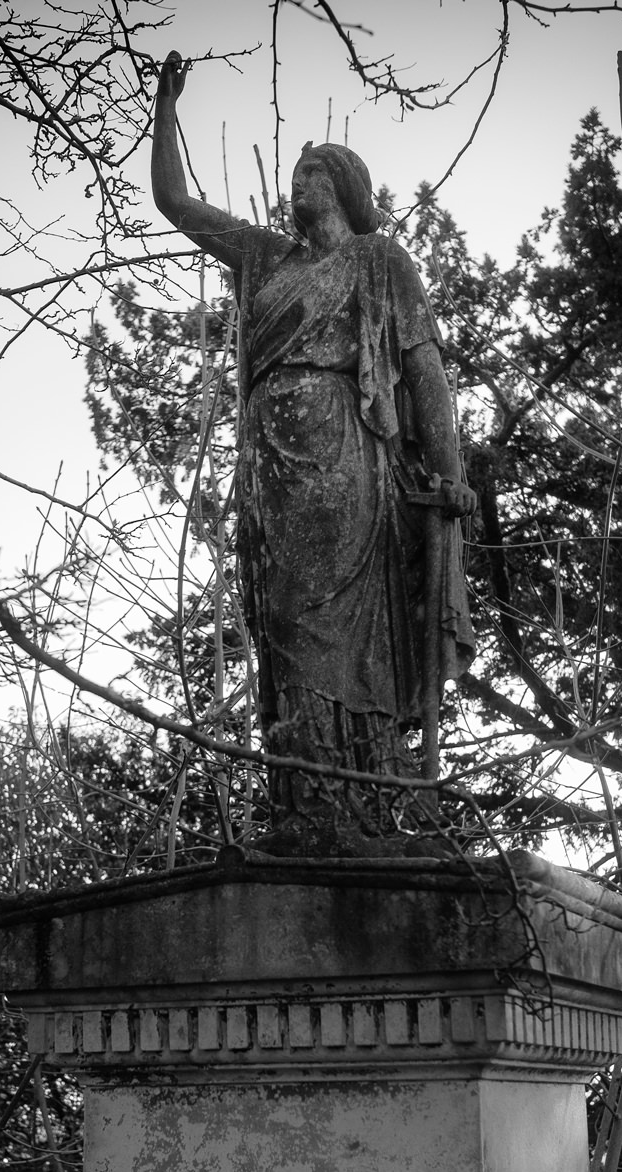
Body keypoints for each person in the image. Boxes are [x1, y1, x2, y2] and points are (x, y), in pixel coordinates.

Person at [151, 52, 476, 844]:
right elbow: (173, 201)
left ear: (342, 188)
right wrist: (165, 111)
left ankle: (357, 796)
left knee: (338, 626)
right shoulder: (263, 256)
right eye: (294, 179)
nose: (297, 190)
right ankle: (303, 796)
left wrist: (452, 472)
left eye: (312, 178)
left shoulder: (379, 260)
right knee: (283, 624)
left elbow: (424, 368)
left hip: (344, 455)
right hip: (270, 462)